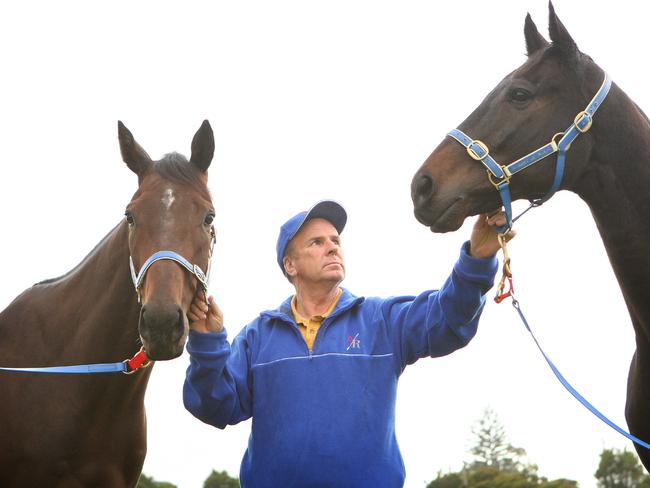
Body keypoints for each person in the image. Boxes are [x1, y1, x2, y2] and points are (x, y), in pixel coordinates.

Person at [183, 200, 513, 488]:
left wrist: (477, 259)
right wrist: (208, 341)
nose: (332, 247)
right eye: (316, 242)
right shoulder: (257, 336)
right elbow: (215, 407)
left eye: (335, 240)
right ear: (290, 265)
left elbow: (447, 321)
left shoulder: (381, 319)